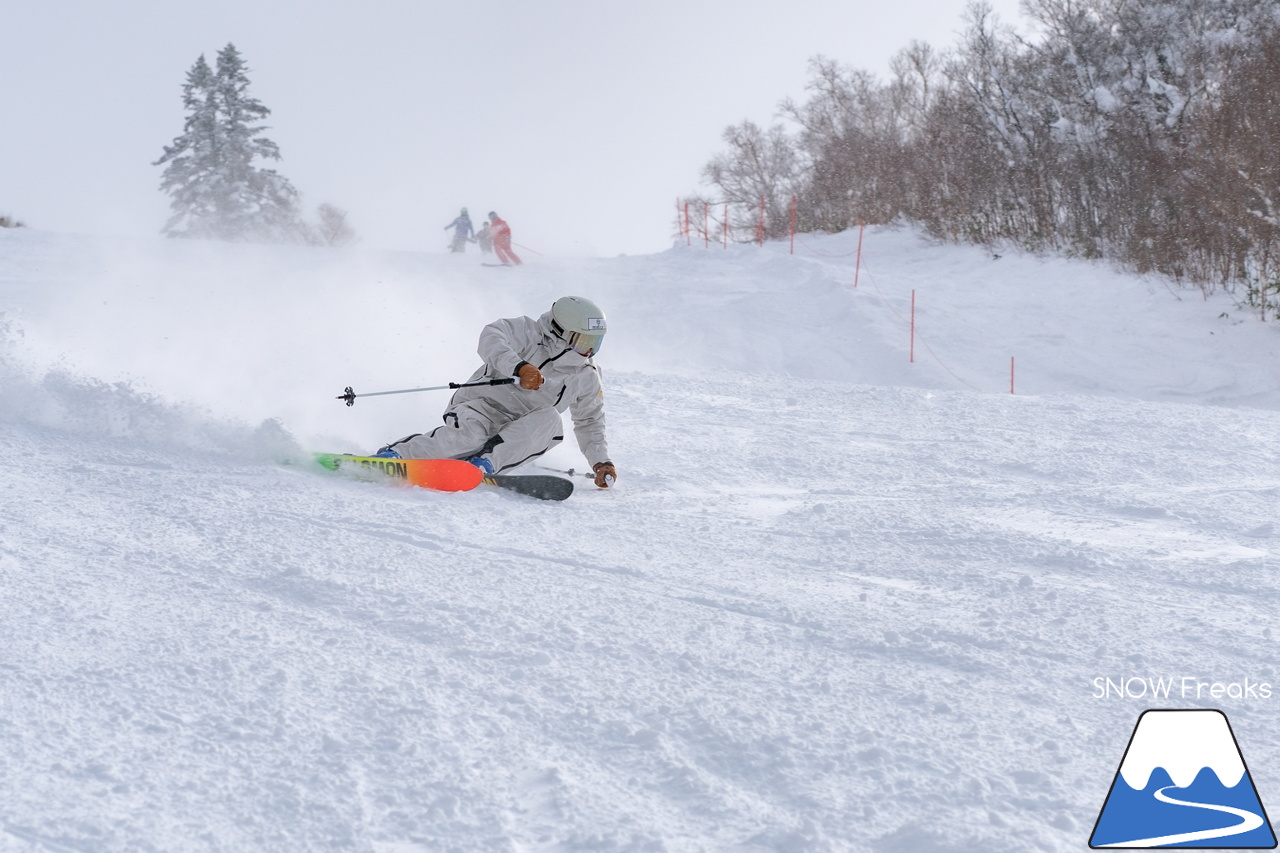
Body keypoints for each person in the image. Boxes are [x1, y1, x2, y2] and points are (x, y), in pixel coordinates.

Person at [373, 296, 617, 488]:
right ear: (561, 330)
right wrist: (519, 367)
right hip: (481, 406)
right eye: (584, 341)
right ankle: (396, 455)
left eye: (595, 343)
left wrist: (600, 461)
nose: (590, 351)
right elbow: (491, 335)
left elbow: (590, 420)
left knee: (551, 420)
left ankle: (482, 465)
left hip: (520, 426)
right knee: (471, 437)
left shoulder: (587, 376)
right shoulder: (529, 333)